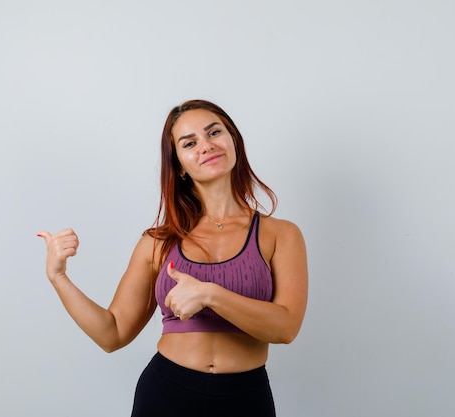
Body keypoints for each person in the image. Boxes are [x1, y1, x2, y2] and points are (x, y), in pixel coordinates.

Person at [37, 99, 308, 417]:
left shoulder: (281, 234)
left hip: (246, 399)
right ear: (179, 165)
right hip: (167, 394)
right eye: (190, 143)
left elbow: (286, 328)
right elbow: (112, 334)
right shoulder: (158, 243)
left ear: (233, 140)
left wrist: (209, 293)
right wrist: (59, 277)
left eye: (214, 133)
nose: (206, 146)